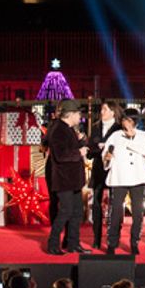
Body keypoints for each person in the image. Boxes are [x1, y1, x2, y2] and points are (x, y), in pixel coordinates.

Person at [102, 108, 145, 255]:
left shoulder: (143, 136)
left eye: (130, 120)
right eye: (125, 120)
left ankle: (134, 242)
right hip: (119, 177)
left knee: (138, 213)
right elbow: (106, 152)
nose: (127, 123)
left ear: (135, 122)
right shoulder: (115, 136)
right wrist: (107, 158)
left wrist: (132, 139)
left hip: (138, 178)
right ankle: (112, 242)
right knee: (116, 211)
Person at [46, 100, 89, 255]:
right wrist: (79, 152)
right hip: (64, 180)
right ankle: (53, 244)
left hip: (73, 179)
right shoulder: (58, 129)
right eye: (78, 114)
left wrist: (80, 143)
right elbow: (61, 155)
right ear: (70, 114)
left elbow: (68, 149)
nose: (80, 117)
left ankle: (73, 243)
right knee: (65, 211)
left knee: (77, 212)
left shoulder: (68, 129)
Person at [88, 101, 123, 249]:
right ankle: (96, 238)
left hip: (114, 170)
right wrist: (100, 149)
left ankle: (113, 237)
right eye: (102, 109)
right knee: (96, 203)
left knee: (116, 205)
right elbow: (90, 151)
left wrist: (105, 148)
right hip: (98, 170)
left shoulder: (119, 128)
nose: (102, 112)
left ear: (113, 112)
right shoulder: (96, 127)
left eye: (105, 109)